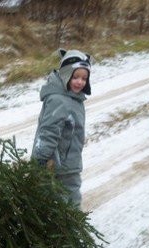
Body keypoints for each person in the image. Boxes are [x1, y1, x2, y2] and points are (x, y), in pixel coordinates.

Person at [31, 48, 92, 210]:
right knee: (70, 203)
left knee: (58, 201)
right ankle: (72, 232)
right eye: (75, 76)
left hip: (65, 163)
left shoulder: (72, 98)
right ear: (65, 74)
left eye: (84, 78)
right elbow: (49, 131)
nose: (80, 82)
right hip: (60, 166)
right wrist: (41, 159)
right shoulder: (60, 100)